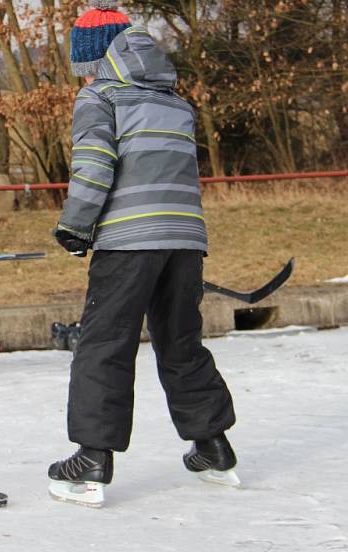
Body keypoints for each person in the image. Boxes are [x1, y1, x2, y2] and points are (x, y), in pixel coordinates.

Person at [48, 0, 238, 507]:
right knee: (180, 341)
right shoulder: (175, 103)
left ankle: (91, 457)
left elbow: (94, 168)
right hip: (184, 240)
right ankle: (212, 444)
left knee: (104, 343)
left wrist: (74, 227)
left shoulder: (99, 98)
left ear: (91, 60)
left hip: (129, 242)